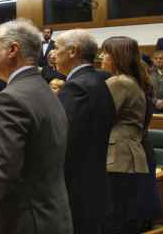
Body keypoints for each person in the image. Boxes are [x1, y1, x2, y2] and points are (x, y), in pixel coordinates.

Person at [0, 19, 72, 234]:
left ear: (12, 50)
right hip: (52, 215)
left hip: (21, 220)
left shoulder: (11, 98)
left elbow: (4, 168)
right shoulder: (46, 90)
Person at [54, 29, 115, 234]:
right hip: (95, 183)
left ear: (72, 51)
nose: (54, 54)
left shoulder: (76, 88)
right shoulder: (100, 80)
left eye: (57, 48)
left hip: (76, 189)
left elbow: (63, 142)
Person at [101, 36, 161, 232]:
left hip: (117, 157)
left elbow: (99, 117)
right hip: (132, 157)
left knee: (116, 219)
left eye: (106, 53)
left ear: (117, 57)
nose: (101, 57)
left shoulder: (118, 82)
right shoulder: (134, 81)